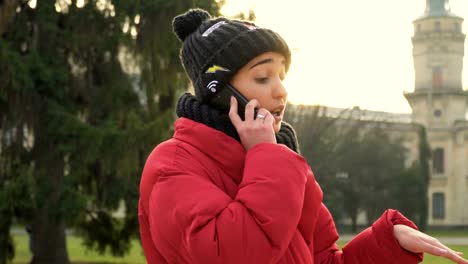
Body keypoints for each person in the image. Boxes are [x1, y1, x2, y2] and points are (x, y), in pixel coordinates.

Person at [138, 8, 468, 264]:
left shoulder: (282, 163)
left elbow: (320, 259)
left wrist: (387, 242)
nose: (281, 91)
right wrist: (266, 157)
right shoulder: (175, 165)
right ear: (220, 92)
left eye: (282, 76)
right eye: (264, 77)